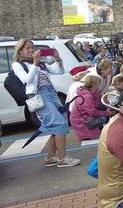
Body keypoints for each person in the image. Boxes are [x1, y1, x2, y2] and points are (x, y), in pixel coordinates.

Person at [12, 39, 80, 168]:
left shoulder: (39, 63)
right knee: (59, 124)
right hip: (39, 95)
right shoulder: (18, 65)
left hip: (52, 94)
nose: (31, 50)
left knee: (56, 126)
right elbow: (27, 79)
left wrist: (58, 59)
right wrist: (35, 64)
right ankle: (62, 158)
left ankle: (50, 158)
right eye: (27, 48)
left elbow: (58, 71)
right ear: (20, 52)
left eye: (32, 47)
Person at [70, 75, 110, 141]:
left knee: (102, 120)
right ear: (93, 84)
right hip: (81, 121)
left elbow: (101, 103)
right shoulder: (87, 96)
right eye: (98, 84)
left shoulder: (93, 93)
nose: (99, 86)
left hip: (84, 118)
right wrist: (107, 113)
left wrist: (105, 100)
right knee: (102, 119)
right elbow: (92, 112)